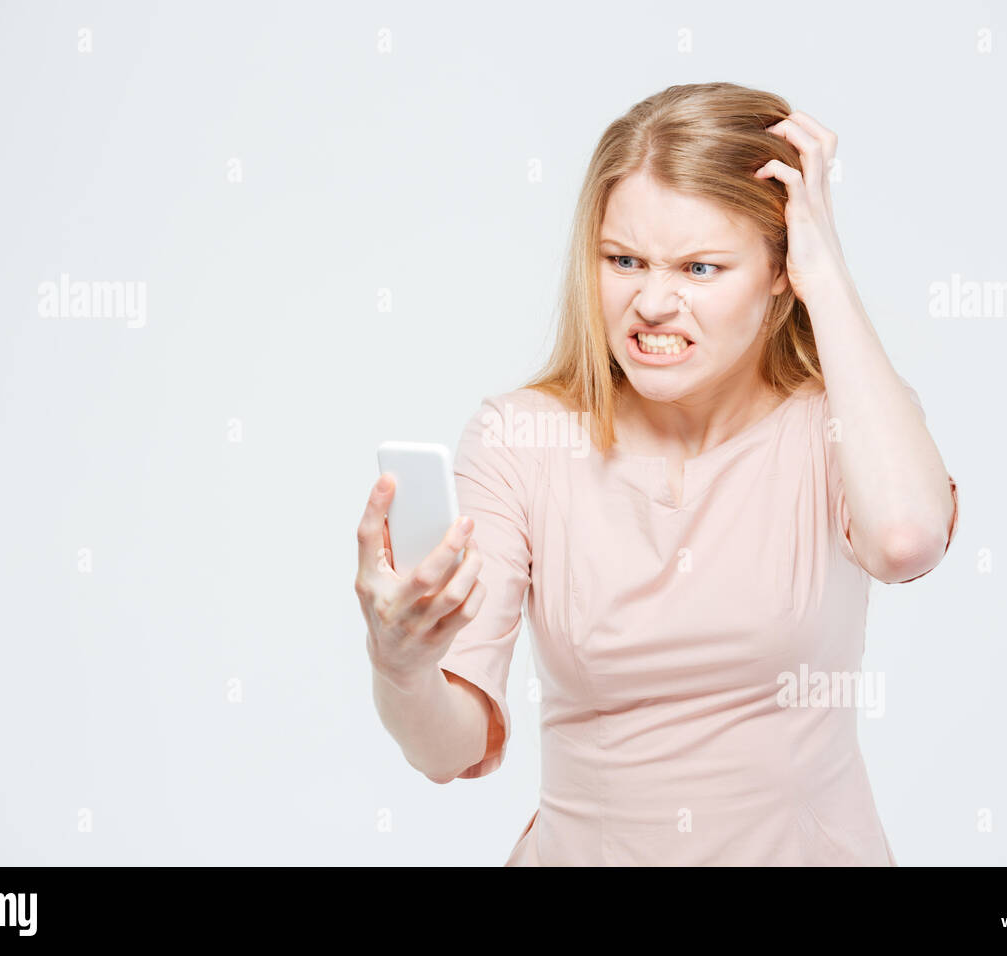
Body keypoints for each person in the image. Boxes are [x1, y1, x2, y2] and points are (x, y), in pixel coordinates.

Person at [355, 82, 959, 865]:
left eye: (701, 268)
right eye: (625, 260)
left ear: (781, 272)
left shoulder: (840, 419)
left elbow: (907, 540)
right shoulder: (521, 437)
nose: (652, 302)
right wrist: (399, 664)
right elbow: (448, 749)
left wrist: (829, 273)